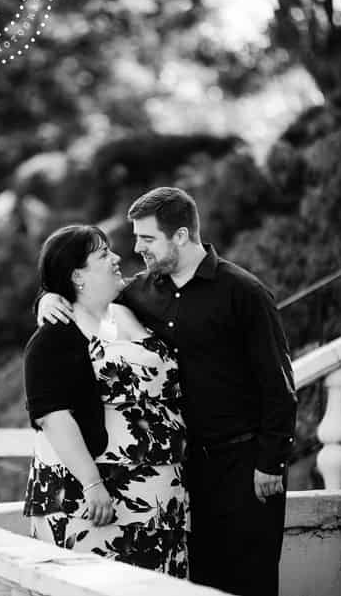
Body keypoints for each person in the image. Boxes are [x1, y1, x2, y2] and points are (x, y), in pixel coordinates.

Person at [37, 187, 297, 596]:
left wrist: (271, 461)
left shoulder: (243, 292)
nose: (136, 248)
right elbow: (83, 297)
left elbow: (278, 383)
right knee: (199, 583)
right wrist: (48, 298)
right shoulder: (138, 293)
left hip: (244, 466)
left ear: (180, 236)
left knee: (252, 580)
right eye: (136, 237)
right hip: (186, 474)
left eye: (147, 238)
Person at [23, 224, 188, 577]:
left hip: (161, 500)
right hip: (98, 501)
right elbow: (55, 418)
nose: (117, 258)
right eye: (103, 255)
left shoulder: (131, 306)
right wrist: (93, 485)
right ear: (77, 276)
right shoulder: (53, 338)